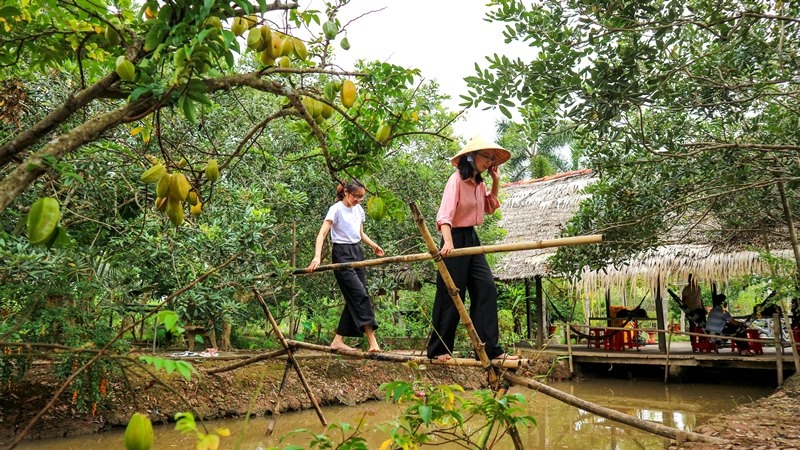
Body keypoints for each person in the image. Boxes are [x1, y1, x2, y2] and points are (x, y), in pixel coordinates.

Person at [426, 136, 519, 362]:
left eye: (491, 158)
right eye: (485, 156)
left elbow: (489, 208)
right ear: (472, 156)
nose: (489, 162)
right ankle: (439, 350)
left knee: (486, 288)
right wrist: (448, 242)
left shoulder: (480, 184)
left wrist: (495, 180)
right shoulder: (456, 180)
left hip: (472, 239)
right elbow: (444, 215)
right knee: (451, 292)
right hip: (454, 237)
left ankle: (490, 350)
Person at [307, 179, 385, 353]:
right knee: (361, 295)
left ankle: (337, 340)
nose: (358, 199)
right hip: (341, 254)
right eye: (356, 196)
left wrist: (374, 246)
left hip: (357, 253)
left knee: (355, 297)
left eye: (362, 197)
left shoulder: (359, 210)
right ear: (347, 193)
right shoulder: (335, 209)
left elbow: (360, 233)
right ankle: (372, 341)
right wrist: (317, 257)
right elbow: (322, 233)